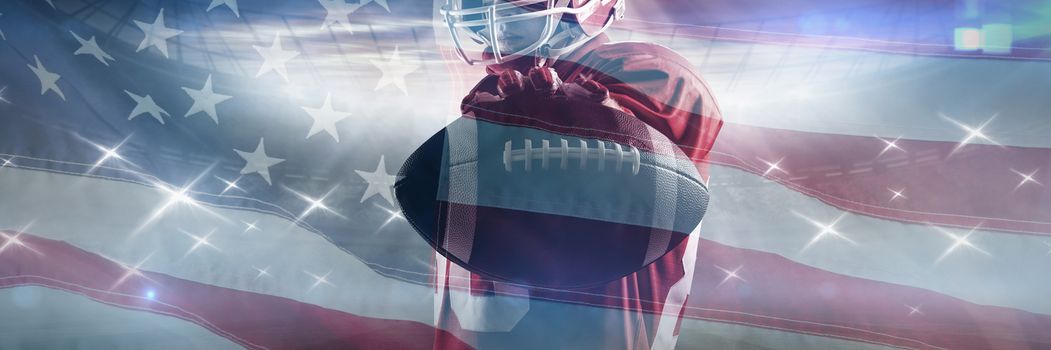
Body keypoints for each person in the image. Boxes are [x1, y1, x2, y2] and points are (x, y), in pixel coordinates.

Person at [432, 0, 723, 348]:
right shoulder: (496, 91)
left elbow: (639, 169)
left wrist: (608, 123)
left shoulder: (650, 73)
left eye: (512, 5)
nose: (487, 11)